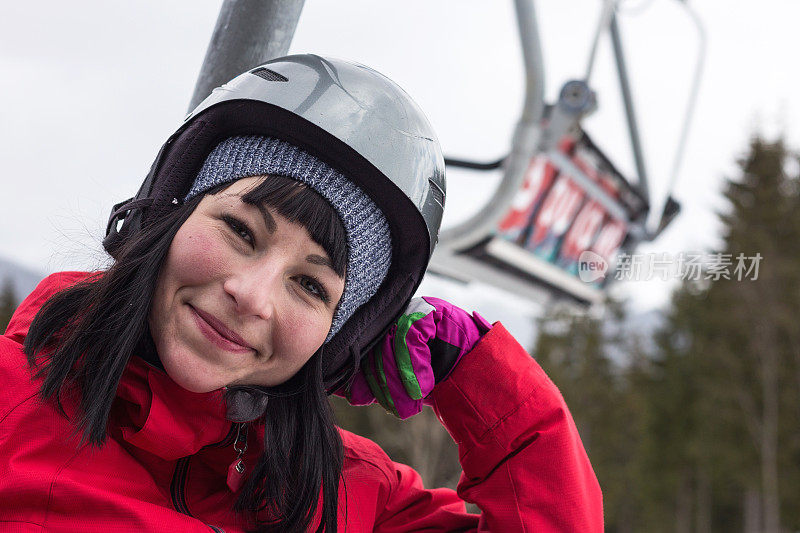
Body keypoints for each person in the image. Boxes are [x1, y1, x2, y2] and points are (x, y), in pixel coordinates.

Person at [0, 55, 602, 532]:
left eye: (310, 286)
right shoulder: (11, 401)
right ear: (171, 215)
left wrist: (472, 374)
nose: (253, 297)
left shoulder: (346, 497)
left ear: (339, 337)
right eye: (240, 229)